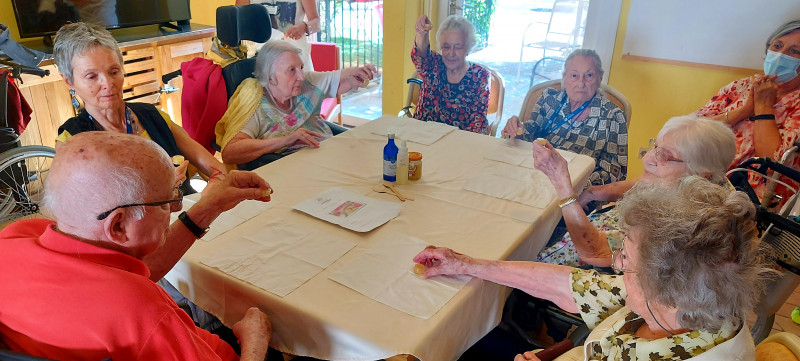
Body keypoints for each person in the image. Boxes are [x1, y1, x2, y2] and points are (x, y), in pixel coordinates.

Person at [415, 176, 776, 361]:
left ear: (662, 283)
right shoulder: (692, 303)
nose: (616, 264)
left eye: (626, 259)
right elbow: (569, 286)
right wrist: (465, 263)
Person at [0, 132, 274, 361]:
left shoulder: (14, 238)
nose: (177, 207)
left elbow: (111, 281)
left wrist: (210, 206)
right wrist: (254, 341)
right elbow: (127, 301)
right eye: (168, 201)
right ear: (119, 226)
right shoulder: (142, 311)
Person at [535, 115, 736, 267]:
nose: (647, 158)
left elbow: (593, 251)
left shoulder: (675, 225)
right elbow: (646, 181)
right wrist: (595, 192)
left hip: (573, 261)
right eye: (655, 147)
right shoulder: (706, 185)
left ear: (702, 175)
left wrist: (561, 182)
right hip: (589, 227)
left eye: (664, 156)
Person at [52, 22, 225, 185]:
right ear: (69, 82)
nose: (108, 83)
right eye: (92, 77)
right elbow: (78, 209)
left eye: (114, 71)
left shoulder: (153, 116)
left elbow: (206, 162)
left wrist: (234, 182)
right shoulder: (70, 141)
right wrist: (161, 187)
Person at [220, 40, 377, 170]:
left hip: (329, 158)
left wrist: (358, 73)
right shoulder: (255, 103)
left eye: (301, 67)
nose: (301, 76)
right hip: (295, 171)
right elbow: (231, 152)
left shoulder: (307, 83)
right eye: (292, 70)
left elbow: (342, 79)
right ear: (271, 77)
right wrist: (285, 140)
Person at [696, 19, 800, 201]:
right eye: (777, 45)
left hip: (753, 199)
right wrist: (744, 111)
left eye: (794, 51)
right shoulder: (740, 87)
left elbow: (773, 167)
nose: (781, 54)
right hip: (702, 180)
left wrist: (763, 107)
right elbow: (692, 130)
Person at [502, 49, 628, 186]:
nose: (581, 83)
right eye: (574, 75)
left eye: (589, 75)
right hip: (533, 174)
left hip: (576, 186)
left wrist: (579, 186)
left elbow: (615, 172)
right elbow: (530, 134)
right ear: (564, 77)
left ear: (600, 77)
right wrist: (517, 129)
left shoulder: (612, 116)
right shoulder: (548, 99)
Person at [412, 14, 490, 134]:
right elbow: (420, 56)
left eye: (458, 47)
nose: (451, 53)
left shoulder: (480, 75)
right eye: (446, 47)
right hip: (422, 137)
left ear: (468, 48)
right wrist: (421, 33)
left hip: (457, 143)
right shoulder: (434, 65)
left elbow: (478, 120)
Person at [235, 0, 319, 69]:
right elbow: (237, 21)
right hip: (259, 59)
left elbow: (316, 23)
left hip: (296, 58)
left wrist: (304, 27)